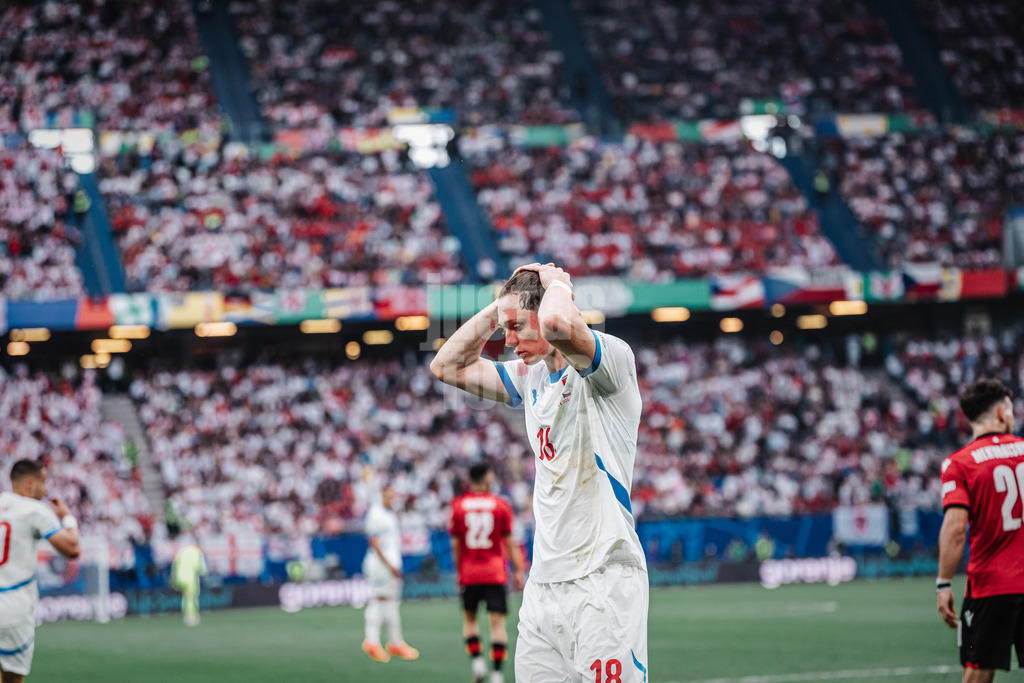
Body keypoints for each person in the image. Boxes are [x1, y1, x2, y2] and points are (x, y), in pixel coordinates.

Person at [431, 263, 649, 682]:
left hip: (603, 582)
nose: (507, 341)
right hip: (544, 589)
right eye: (503, 329)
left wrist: (557, 283)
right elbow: (447, 367)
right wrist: (499, 310)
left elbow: (555, 321)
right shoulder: (531, 379)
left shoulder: (611, 363)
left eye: (515, 328)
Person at [938, 378, 1024, 681]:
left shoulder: (958, 464)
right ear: (1001, 414)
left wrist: (943, 583)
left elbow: (956, 528)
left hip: (990, 588)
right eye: (1012, 410)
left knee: (978, 675)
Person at [0, 460, 81, 683]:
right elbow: (73, 549)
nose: (46, 490)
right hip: (13, 609)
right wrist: (67, 516)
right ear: (29, 483)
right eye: (43, 482)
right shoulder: (34, 510)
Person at [450, 463, 527, 683]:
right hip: (494, 572)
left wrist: (459, 572)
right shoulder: (500, 505)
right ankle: (496, 675)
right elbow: (509, 543)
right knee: (497, 625)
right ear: (485, 479)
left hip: (470, 572)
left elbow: (456, 544)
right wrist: (518, 570)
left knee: (470, 621)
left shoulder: (458, 506)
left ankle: (478, 664)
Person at [361, 484, 419, 663]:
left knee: (390, 603)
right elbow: (375, 543)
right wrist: (389, 565)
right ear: (380, 495)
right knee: (380, 601)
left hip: (389, 564)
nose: (391, 498)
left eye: (392, 495)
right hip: (381, 566)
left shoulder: (387, 513)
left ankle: (394, 642)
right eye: (388, 495)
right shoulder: (376, 514)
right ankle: (373, 641)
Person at [172, 537, 208, 627]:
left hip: (179, 577)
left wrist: (174, 579)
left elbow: (175, 563)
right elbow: (202, 569)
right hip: (190, 578)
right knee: (191, 597)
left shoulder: (182, 551)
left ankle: (185, 613)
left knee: (185, 596)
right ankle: (190, 616)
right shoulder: (197, 553)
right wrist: (205, 576)